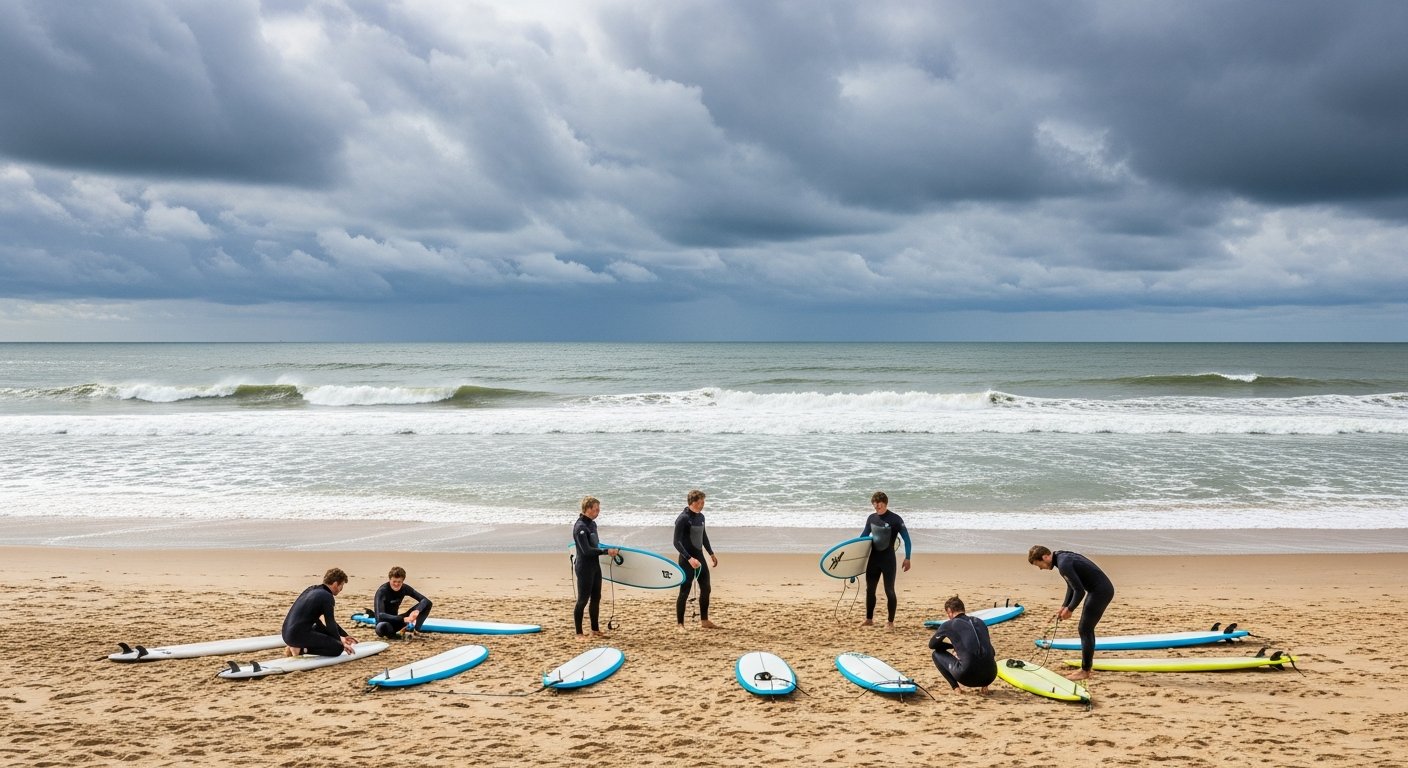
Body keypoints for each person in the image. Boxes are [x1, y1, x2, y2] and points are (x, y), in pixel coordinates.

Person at [1028, 545, 1115, 681]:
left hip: (1100, 592)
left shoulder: (1063, 564)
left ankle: (1085, 671)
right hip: (1099, 590)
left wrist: (1070, 609)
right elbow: (1072, 586)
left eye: (1039, 565)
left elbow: (1079, 591)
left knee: (1084, 629)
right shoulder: (1062, 558)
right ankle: (1087, 668)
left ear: (1045, 557)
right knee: (1086, 629)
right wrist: (1064, 606)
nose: (1040, 568)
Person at [859, 491, 912, 629]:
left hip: (888, 560)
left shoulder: (895, 519)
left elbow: (907, 539)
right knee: (870, 590)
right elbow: (863, 537)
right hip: (874, 559)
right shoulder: (871, 518)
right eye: (874, 505)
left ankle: (890, 622)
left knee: (889, 590)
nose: (876, 507)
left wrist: (908, 558)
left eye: (879, 505)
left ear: (885, 503)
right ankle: (869, 619)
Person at [571, 496, 620, 639]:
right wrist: (606, 552)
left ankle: (595, 629)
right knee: (582, 600)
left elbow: (595, 545)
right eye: (596, 509)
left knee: (596, 598)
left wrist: (606, 549)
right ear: (587, 509)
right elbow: (586, 551)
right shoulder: (580, 527)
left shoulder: (592, 525)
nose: (598, 512)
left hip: (594, 566)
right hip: (584, 567)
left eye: (599, 509)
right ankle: (579, 633)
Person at [928, 595, 998, 693]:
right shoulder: (980, 622)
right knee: (985, 653)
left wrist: (953, 646)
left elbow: (932, 645)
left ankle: (956, 688)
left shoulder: (949, 624)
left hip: (966, 676)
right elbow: (992, 651)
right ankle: (984, 687)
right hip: (990, 675)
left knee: (936, 654)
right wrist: (957, 647)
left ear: (949, 611)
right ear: (963, 609)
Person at [281, 567, 356, 657]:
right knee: (337, 648)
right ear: (335, 584)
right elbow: (330, 623)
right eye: (342, 586)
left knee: (320, 628)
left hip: (286, 633)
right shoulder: (327, 597)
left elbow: (320, 623)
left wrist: (345, 636)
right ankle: (300, 649)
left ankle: (296, 645)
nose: (341, 589)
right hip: (297, 636)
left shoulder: (311, 589)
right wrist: (341, 642)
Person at [673, 489, 720, 629]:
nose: (703, 504)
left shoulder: (701, 517)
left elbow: (703, 536)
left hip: (699, 557)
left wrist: (711, 553)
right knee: (684, 591)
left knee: (706, 588)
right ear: (693, 502)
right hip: (686, 559)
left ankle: (704, 621)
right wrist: (689, 558)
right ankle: (680, 624)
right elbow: (676, 542)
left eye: (703, 502)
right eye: (700, 502)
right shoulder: (682, 518)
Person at [371, 566, 433, 638]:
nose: (396, 584)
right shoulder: (382, 591)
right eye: (394, 581)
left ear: (403, 581)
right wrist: (403, 619)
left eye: (399, 582)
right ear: (390, 580)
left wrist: (417, 610)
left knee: (428, 604)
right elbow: (381, 615)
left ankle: (416, 630)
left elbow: (424, 600)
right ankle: (395, 635)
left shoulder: (404, 588)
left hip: (397, 622)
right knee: (383, 626)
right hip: (383, 624)